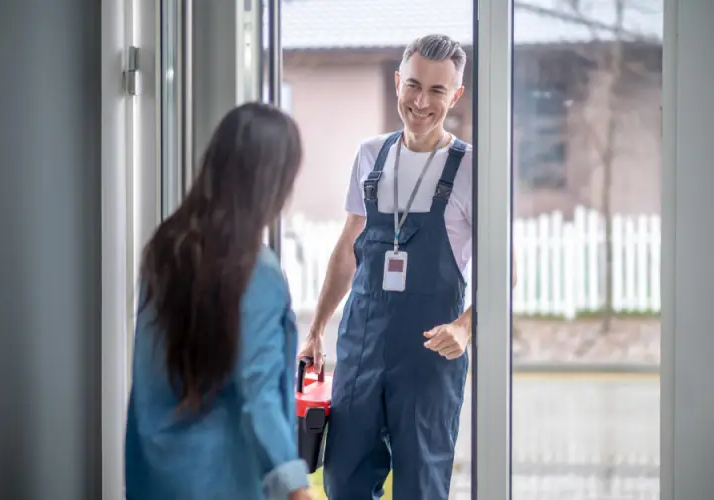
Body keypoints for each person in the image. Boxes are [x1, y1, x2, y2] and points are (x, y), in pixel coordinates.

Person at [297, 34, 517, 499]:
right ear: (398, 83)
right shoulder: (370, 155)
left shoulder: (473, 169)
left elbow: (506, 269)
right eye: (413, 85)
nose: (421, 101)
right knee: (344, 482)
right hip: (360, 347)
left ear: (455, 96)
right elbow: (347, 247)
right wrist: (317, 329)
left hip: (430, 355)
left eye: (437, 90)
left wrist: (465, 327)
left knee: (421, 486)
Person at [125, 102, 312, 500]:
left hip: (157, 477)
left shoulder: (166, 247)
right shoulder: (255, 269)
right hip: (226, 481)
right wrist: (296, 486)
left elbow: (146, 380)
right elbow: (258, 391)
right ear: (270, 183)